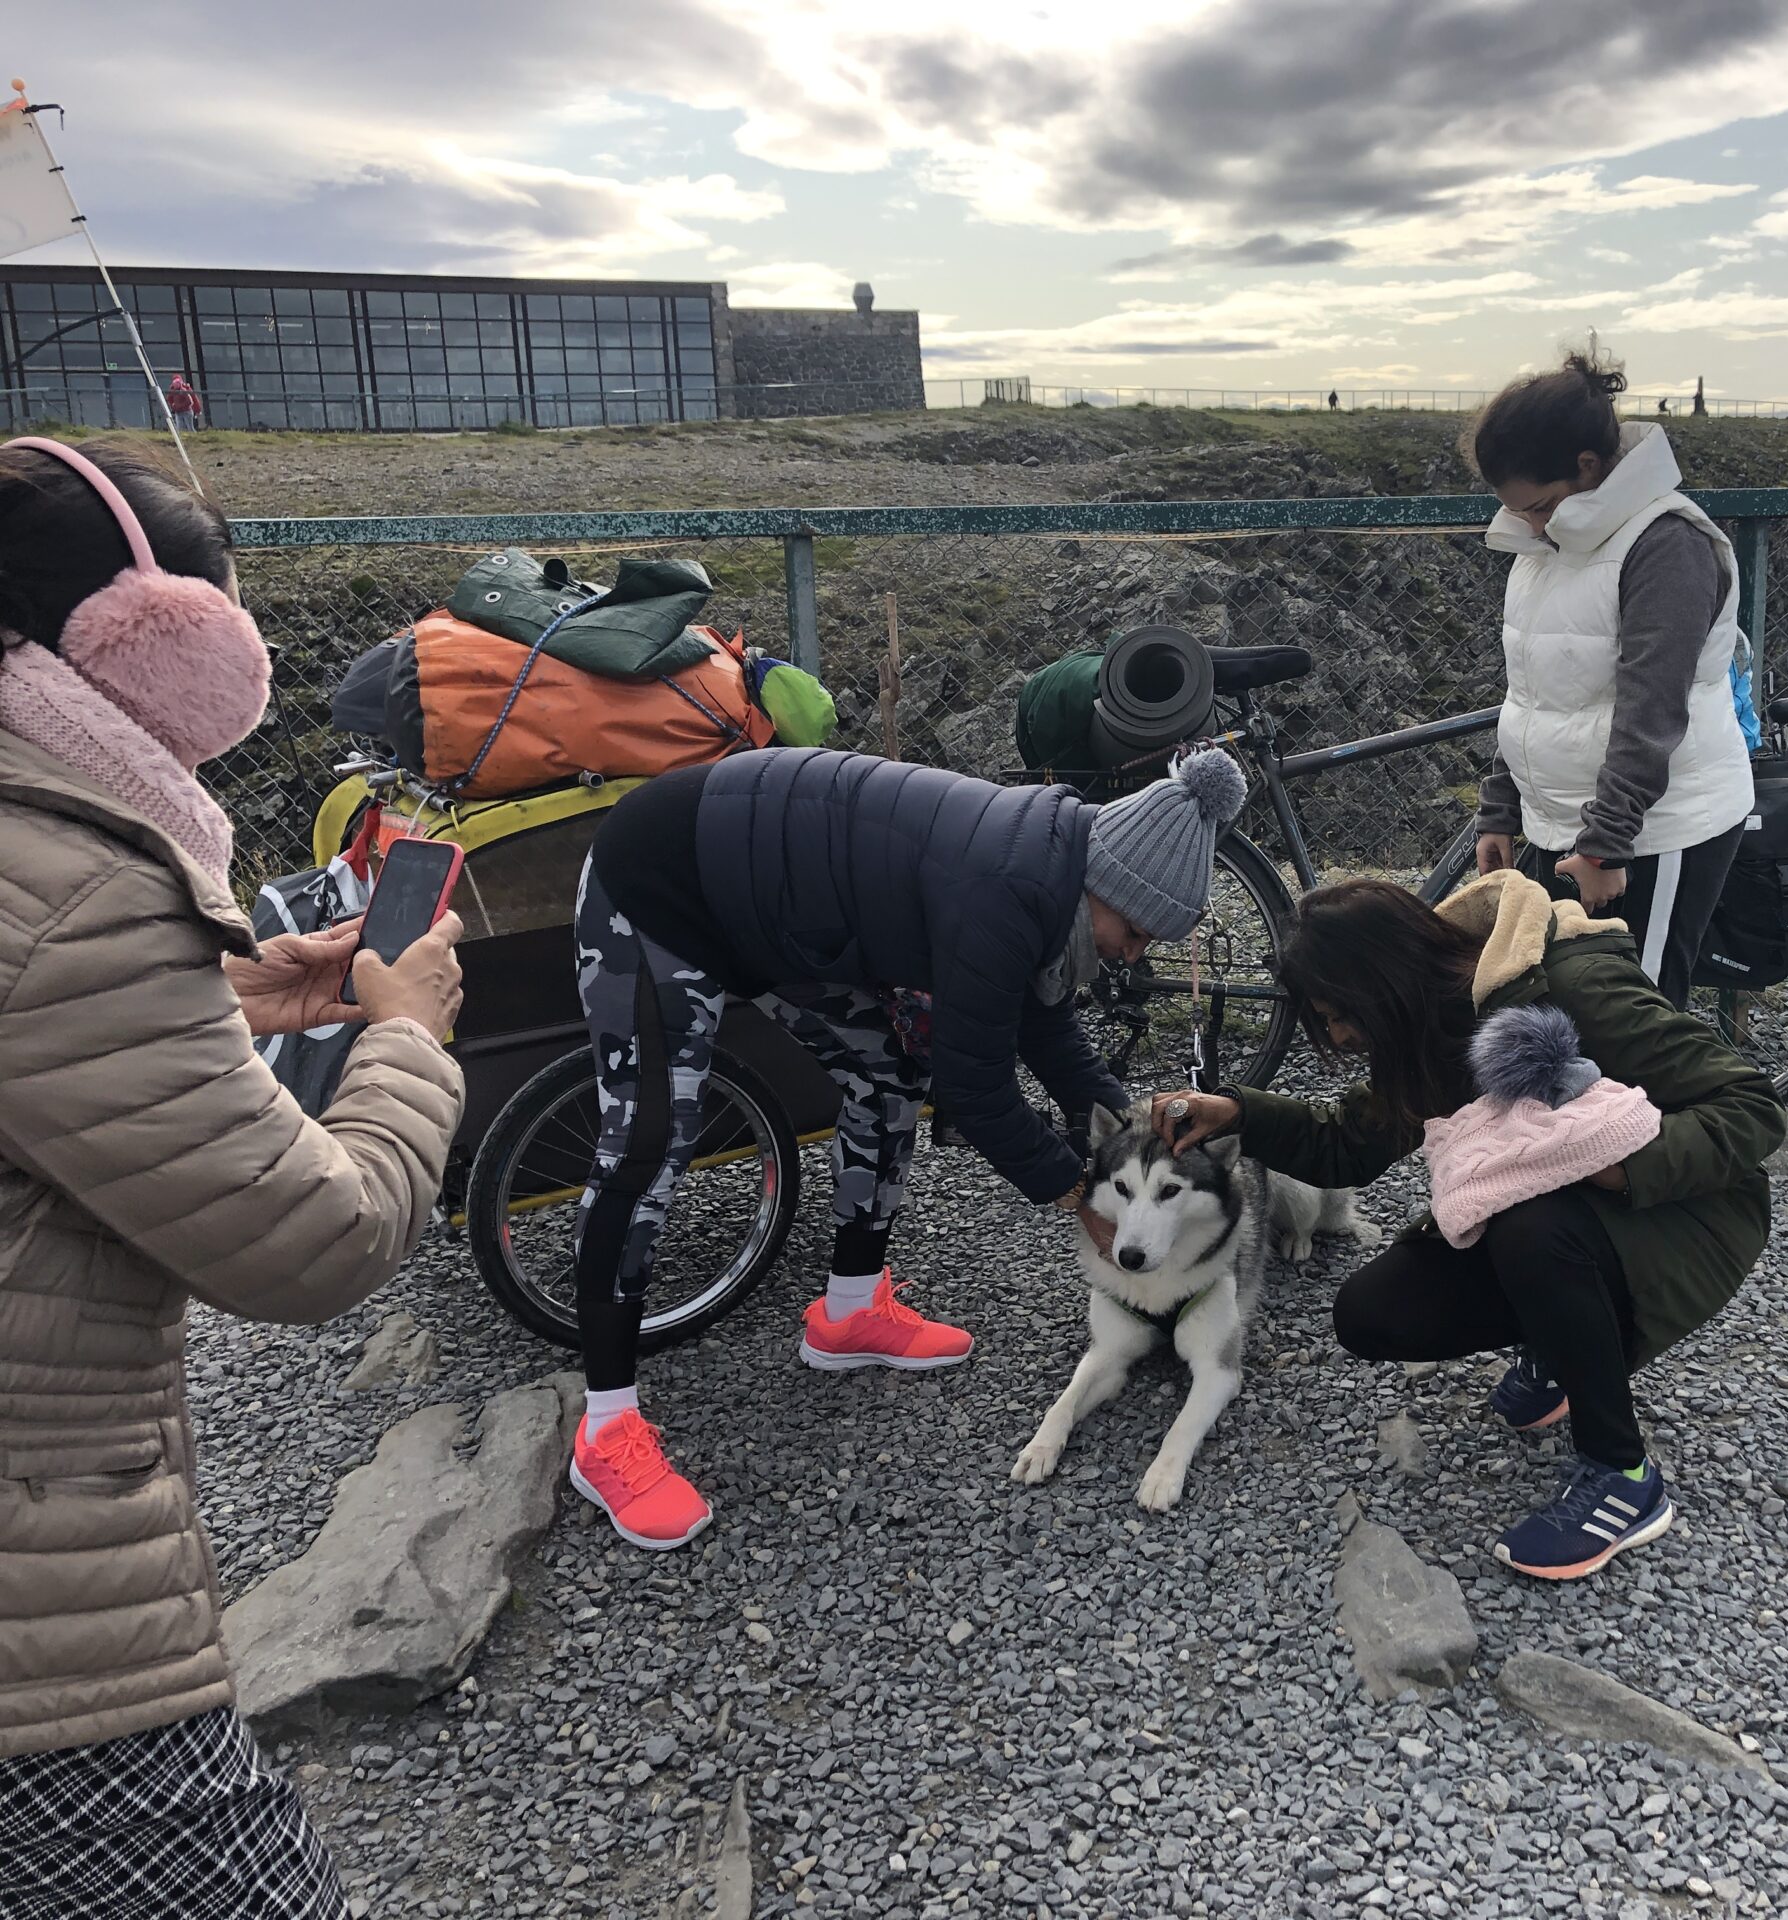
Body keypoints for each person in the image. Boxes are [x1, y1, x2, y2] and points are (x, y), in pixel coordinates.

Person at [0, 435, 468, 1917]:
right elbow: (310, 1245)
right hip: (51, 1634)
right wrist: (411, 1040)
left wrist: (221, 1005)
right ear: (171, 649)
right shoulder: (76, 889)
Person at [564, 742, 1249, 1550]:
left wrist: (1135, 1132)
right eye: (1133, 932)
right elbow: (979, 1088)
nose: (1131, 955)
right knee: (652, 1138)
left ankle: (848, 1313)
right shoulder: (1007, 889)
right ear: (1108, 886)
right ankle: (604, 1428)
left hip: (772, 913)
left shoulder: (1057, 871)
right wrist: (1077, 1196)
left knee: (887, 1071)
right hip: (663, 880)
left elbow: (1043, 1025)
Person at [1149, 871, 1783, 1579]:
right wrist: (1238, 1113)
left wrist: (1613, 1165)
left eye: (1340, 1014)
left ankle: (1622, 1476)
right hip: (1563, 1215)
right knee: (1371, 1314)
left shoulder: (1572, 986)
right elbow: (1349, 1142)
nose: (1339, 1035)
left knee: (1528, 1226)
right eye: (1325, 1020)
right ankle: (1568, 1344)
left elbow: (1752, 1109)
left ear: (1383, 980)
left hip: (1691, 1212)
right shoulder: (1432, 1019)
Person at [1466, 350, 1756, 1008]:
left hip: (1657, 828)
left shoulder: (1666, 545)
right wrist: (1502, 812)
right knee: (1565, 1014)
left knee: (1636, 1028)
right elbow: (1535, 697)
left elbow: (1650, 712)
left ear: (1587, 468)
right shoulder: (1545, 541)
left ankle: (1683, 1118)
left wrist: (1604, 847)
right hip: (1565, 825)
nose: (1527, 522)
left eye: (1537, 505)